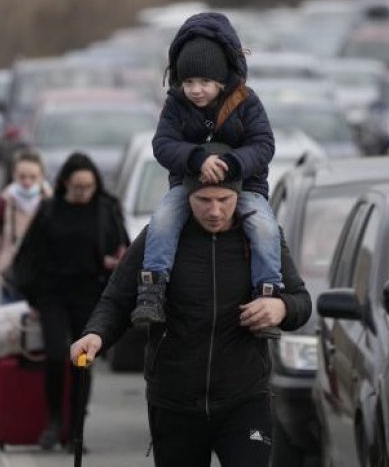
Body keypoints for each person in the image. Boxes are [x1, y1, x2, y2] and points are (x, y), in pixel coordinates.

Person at [70, 149, 312, 467]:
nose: (214, 211)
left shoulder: (261, 240)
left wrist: (280, 308)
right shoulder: (159, 238)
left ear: (239, 197)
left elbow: (301, 302)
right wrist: (96, 335)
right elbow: (117, 299)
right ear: (186, 198)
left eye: (224, 200)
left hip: (244, 397)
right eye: (204, 201)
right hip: (174, 400)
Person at [131, 12, 282, 339]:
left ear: (221, 80)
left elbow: (264, 144)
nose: (196, 90)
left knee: (265, 228)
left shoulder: (246, 101)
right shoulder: (175, 105)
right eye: (188, 83)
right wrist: (195, 158)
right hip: (187, 187)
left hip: (247, 187)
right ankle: (152, 289)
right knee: (163, 220)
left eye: (204, 83)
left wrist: (233, 164)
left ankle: (267, 294)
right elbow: (162, 144)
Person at [11, 152, 129, 451]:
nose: (82, 193)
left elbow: (123, 249)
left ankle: (76, 429)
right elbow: (28, 255)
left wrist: (114, 261)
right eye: (77, 187)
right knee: (53, 356)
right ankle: (52, 421)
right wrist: (31, 295)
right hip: (52, 294)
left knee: (81, 361)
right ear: (64, 183)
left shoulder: (106, 208)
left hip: (90, 293)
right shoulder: (50, 209)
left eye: (88, 187)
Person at [0, 149, 52, 305]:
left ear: (42, 177)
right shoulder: (4, 202)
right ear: (14, 175)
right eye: (22, 177)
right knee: (9, 328)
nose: (27, 182)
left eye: (33, 177)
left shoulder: (51, 203)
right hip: (11, 280)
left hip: (42, 283)